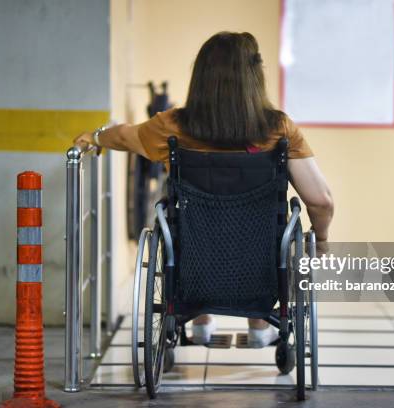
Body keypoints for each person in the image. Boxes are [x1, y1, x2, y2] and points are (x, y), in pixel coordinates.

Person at [74, 31, 333, 348]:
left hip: (196, 266)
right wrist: (320, 239)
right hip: (260, 269)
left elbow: (125, 136)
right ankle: (257, 322)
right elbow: (320, 201)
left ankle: (200, 319)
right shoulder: (279, 129)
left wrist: (96, 137)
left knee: (186, 223)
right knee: (265, 231)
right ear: (255, 76)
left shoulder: (172, 126)